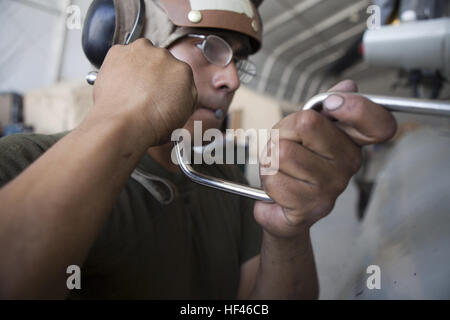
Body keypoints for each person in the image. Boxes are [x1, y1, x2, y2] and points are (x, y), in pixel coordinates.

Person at [0, 0, 397, 299]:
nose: (231, 80)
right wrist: (123, 115)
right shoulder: (20, 163)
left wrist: (287, 231)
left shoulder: (226, 178)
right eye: (210, 47)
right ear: (132, 47)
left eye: (237, 61)